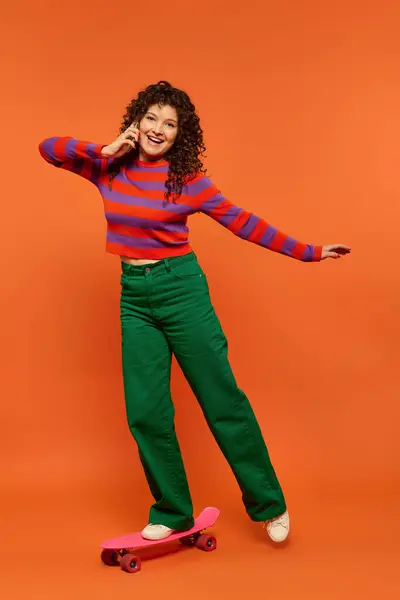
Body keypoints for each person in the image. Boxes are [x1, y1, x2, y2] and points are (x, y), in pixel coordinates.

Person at [39, 80, 351, 544]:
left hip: (181, 290)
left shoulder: (187, 183)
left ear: (180, 135)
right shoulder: (108, 168)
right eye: (151, 119)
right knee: (145, 411)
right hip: (134, 297)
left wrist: (309, 251)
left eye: (170, 124)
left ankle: (270, 504)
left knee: (221, 400)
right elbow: (48, 149)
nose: (158, 129)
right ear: (136, 121)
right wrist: (105, 147)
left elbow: (244, 222)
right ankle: (173, 511)